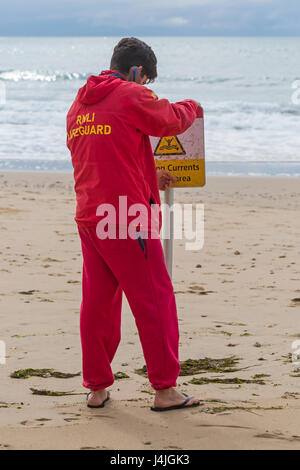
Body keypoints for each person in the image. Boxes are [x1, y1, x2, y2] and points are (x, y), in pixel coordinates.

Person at [66, 37, 202, 412]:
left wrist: (147, 174)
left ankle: (96, 387)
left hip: (90, 215)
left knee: (98, 302)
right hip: (126, 217)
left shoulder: (78, 105)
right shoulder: (128, 94)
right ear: (138, 71)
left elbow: (108, 153)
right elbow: (171, 120)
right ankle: (164, 390)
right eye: (146, 81)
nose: (145, 88)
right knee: (154, 298)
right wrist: (193, 105)